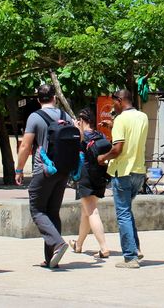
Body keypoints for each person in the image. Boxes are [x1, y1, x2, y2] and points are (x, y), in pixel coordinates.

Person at [15, 84, 74, 269]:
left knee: (37, 210)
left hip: (43, 170)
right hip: (63, 171)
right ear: (54, 98)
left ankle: (58, 243)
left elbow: (25, 146)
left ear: (38, 99)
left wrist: (19, 169)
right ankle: (50, 259)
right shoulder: (66, 117)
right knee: (52, 211)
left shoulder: (35, 117)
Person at [97, 89, 148, 268]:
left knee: (123, 213)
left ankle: (130, 256)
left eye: (114, 103)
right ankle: (136, 249)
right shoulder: (143, 117)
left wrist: (103, 157)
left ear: (120, 100)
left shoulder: (120, 119)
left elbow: (117, 149)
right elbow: (131, 136)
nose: (113, 107)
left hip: (123, 172)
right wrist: (112, 126)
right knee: (127, 210)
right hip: (139, 171)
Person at [71, 107, 111, 259]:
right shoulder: (100, 135)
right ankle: (79, 244)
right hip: (99, 176)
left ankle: (104, 247)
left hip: (85, 177)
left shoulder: (81, 135)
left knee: (92, 211)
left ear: (81, 121)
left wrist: (76, 129)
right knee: (86, 211)